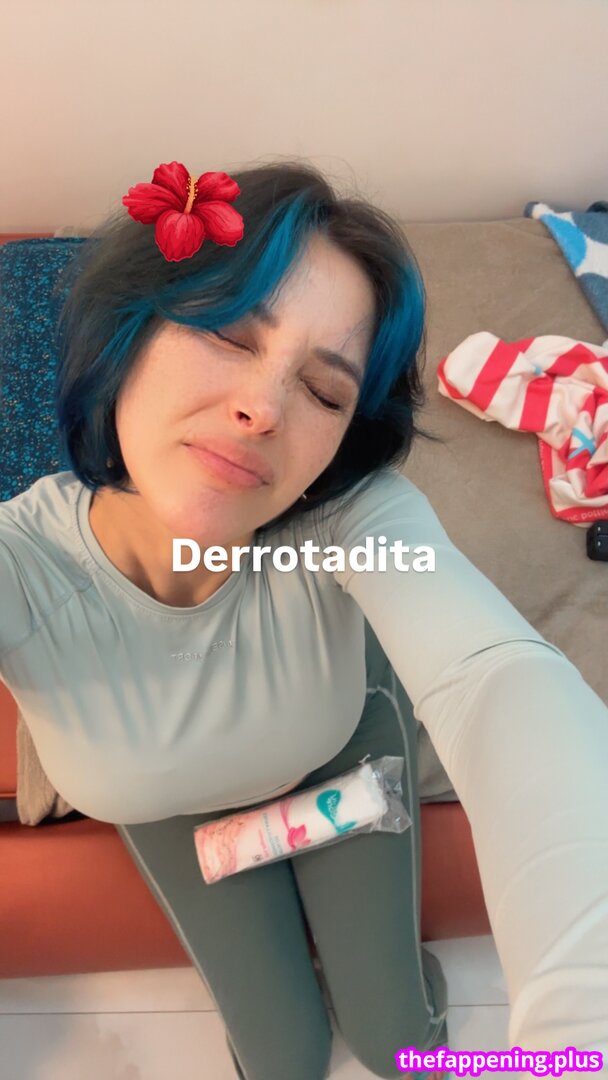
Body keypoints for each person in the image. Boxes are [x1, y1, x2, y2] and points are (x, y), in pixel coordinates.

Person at [1, 159, 607, 1080]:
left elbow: (496, 675)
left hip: (342, 762)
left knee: (401, 1048)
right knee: (280, 1060)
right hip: (174, 814)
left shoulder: (346, 525)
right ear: (127, 335)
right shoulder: (23, 563)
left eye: (324, 392)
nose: (262, 410)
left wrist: (583, 1026)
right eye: (227, 335)